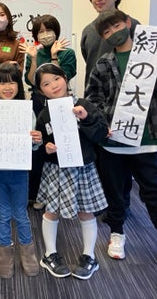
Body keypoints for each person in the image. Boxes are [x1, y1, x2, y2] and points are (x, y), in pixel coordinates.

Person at [85, 9, 157, 264]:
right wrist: (103, 123)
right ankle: (117, 234)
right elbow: (93, 98)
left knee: (155, 193)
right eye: (107, 32)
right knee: (115, 193)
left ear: (128, 23)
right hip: (113, 142)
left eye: (116, 26)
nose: (113, 33)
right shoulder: (104, 62)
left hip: (147, 139)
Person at [34, 63, 108, 280]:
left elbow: (101, 134)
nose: (53, 85)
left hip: (84, 168)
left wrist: (86, 118)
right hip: (56, 169)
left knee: (86, 211)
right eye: (46, 84)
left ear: (65, 79)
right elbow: (40, 145)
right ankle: (49, 254)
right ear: (41, 91)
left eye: (56, 79)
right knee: (52, 211)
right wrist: (45, 148)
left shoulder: (84, 105)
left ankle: (89, 256)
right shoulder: (44, 114)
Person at [80, 0, 138, 216]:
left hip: (130, 100)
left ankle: (122, 203)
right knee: (102, 154)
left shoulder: (133, 25)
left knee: (125, 156)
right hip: (97, 99)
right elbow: (89, 59)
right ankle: (104, 202)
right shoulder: (88, 30)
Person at [0, 62, 40, 278]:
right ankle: (5, 253)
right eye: (2, 83)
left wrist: (36, 140)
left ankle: (28, 252)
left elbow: (32, 144)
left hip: (19, 170)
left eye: (12, 83)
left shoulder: (26, 110)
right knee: (3, 214)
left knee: (21, 213)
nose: (7, 88)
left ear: (19, 85)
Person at [19, 14, 76, 206]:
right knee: (38, 147)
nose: (45, 34)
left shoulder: (67, 53)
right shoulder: (34, 52)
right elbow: (31, 80)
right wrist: (34, 58)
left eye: (48, 30)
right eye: (41, 31)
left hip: (61, 105)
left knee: (60, 146)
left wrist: (54, 56)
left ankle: (61, 194)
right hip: (38, 102)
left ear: (56, 31)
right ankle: (37, 194)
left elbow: (61, 80)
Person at [80, 0, 140, 87]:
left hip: (129, 88)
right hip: (96, 89)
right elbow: (89, 59)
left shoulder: (131, 24)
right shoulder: (88, 31)